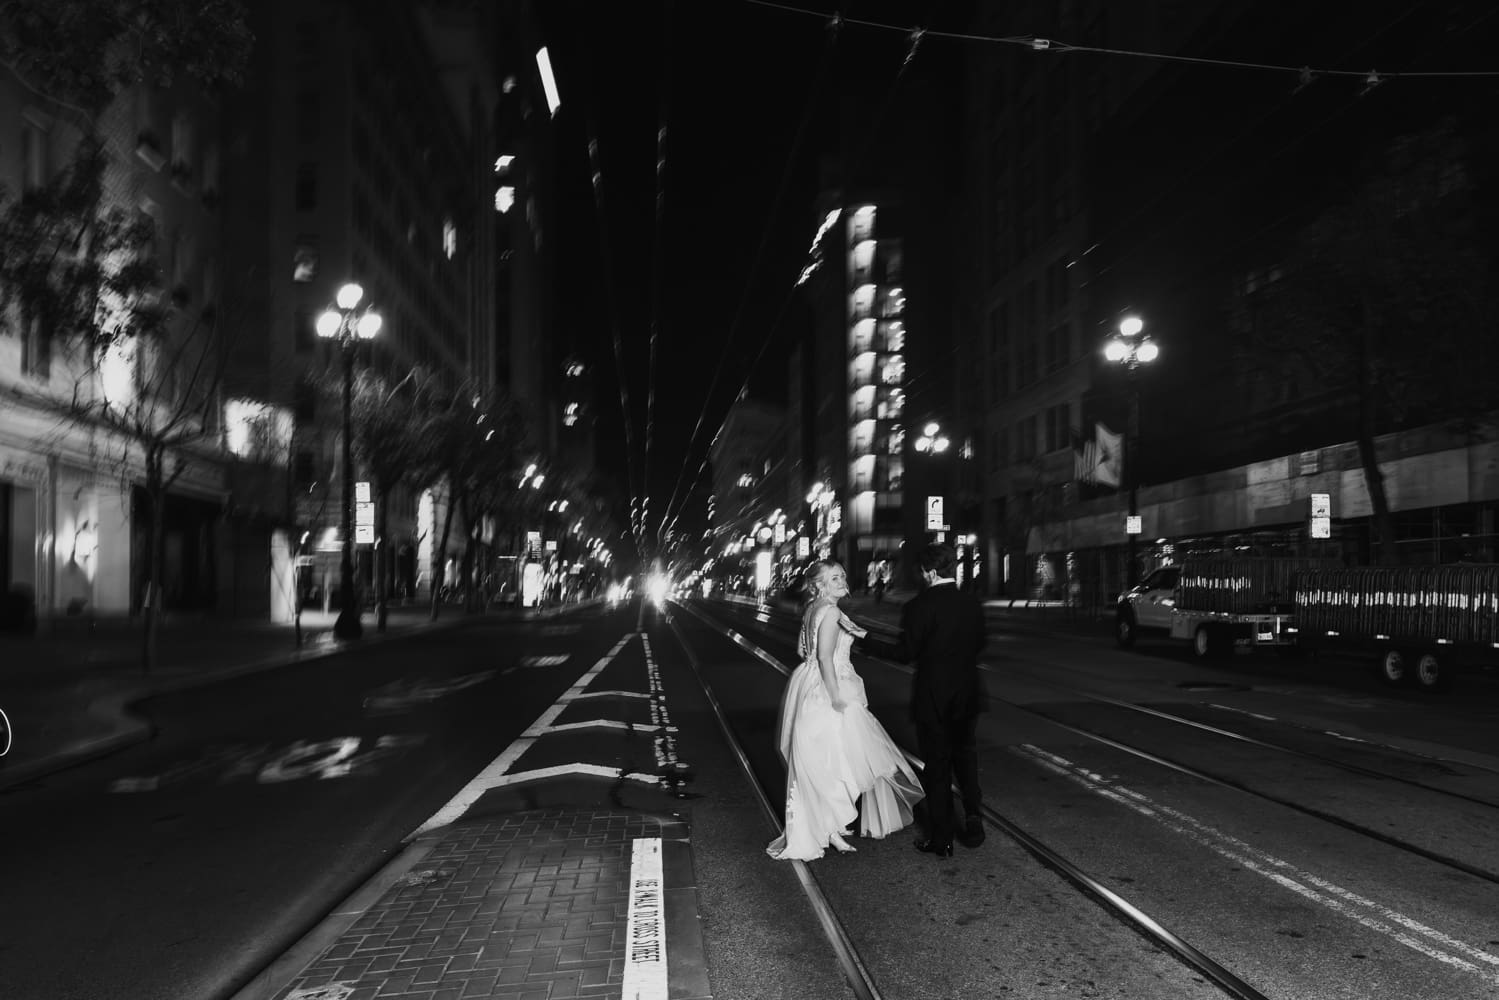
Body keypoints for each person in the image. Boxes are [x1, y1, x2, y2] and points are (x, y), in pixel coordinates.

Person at [767, 559, 923, 862]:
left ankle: (831, 825)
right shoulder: (833, 611)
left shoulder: (813, 608)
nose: (842, 581)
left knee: (828, 758)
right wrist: (835, 695)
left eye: (842, 576)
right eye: (834, 578)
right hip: (829, 687)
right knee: (840, 759)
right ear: (820, 584)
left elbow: (804, 652)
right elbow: (825, 658)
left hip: (808, 682)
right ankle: (830, 827)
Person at [897, 542, 988, 858]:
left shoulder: (917, 608)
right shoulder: (972, 604)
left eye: (923, 571)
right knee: (966, 755)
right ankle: (974, 816)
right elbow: (980, 643)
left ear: (930, 572)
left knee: (937, 767)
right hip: (966, 693)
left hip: (933, 698)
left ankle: (942, 838)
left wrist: (864, 640)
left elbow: (904, 653)